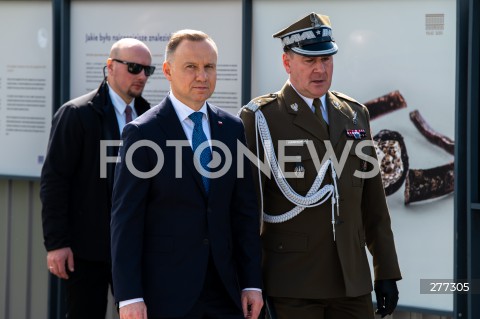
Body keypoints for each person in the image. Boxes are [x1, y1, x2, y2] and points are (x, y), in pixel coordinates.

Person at [239, 12, 401, 319]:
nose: (320, 69)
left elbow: (373, 204)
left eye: (326, 59)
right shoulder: (261, 118)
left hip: (351, 281)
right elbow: (248, 210)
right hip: (292, 283)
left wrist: (386, 270)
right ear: (287, 63)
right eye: (309, 60)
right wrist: (250, 282)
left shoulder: (354, 114)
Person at [110, 29, 264, 319]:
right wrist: (129, 295)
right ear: (168, 71)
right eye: (191, 67)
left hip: (225, 292)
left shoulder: (231, 129)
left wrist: (251, 283)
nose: (202, 76)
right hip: (165, 295)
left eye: (209, 67)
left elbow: (244, 212)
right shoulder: (143, 133)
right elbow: (126, 220)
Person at [40, 38, 154, 319]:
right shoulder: (77, 114)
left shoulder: (148, 115)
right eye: (133, 67)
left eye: (147, 71)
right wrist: (56, 243)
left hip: (134, 247)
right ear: (110, 67)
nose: (141, 76)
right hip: (85, 249)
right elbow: (55, 182)